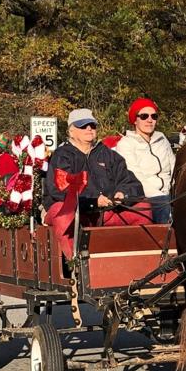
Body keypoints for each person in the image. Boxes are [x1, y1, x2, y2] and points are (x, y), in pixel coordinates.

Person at [44, 108, 151, 259]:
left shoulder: (109, 154)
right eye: (83, 125)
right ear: (71, 131)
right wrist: (93, 200)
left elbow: (131, 182)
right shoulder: (62, 156)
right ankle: (76, 266)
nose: (89, 129)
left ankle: (140, 260)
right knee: (63, 214)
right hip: (77, 210)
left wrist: (122, 193)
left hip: (107, 210)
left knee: (143, 208)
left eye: (92, 125)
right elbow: (60, 189)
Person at [115, 98, 176, 224]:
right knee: (163, 203)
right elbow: (135, 177)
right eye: (144, 116)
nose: (150, 120)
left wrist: (178, 190)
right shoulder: (126, 144)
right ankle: (166, 240)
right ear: (135, 120)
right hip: (146, 194)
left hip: (171, 192)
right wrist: (162, 196)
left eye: (154, 116)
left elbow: (175, 167)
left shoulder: (162, 139)